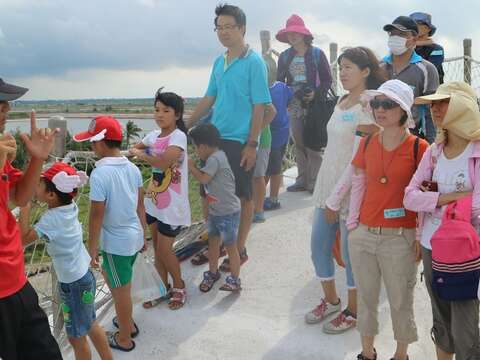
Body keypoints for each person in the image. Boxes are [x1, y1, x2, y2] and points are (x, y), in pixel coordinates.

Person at [305, 47, 385, 334]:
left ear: (366, 71)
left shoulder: (370, 105)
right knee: (318, 248)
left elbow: (361, 155)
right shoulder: (340, 100)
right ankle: (331, 300)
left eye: (349, 66)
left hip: (351, 191)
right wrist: (327, 195)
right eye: (340, 67)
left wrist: (337, 198)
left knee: (352, 256)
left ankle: (354, 309)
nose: (343, 72)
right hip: (326, 184)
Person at [347, 80, 429, 360]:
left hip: (399, 238)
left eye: (388, 104)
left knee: (400, 301)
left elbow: (424, 200)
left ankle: (400, 355)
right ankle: (367, 353)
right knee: (366, 299)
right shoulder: (368, 141)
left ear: (404, 111)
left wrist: (418, 238)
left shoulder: (420, 148)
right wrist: (352, 227)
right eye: (376, 103)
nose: (379, 109)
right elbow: (357, 184)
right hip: (364, 234)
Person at [187, 4, 272, 273]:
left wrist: (252, 144)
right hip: (213, 139)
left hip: (238, 141)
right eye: (219, 27)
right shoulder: (218, 61)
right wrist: (185, 124)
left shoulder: (253, 62)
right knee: (210, 194)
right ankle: (215, 244)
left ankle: (241, 247)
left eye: (229, 27)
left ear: (242, 29)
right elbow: (209, 97)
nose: (223, 32)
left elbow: (261, 106)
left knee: (242, 197)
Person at [404, 82, 480, 360]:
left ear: (463, 106)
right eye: (432, 104)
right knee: (442, 321)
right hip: (431, 246)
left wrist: (434, 199)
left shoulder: (477, 152)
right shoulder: (434, 152)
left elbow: (478, 211)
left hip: (467, 252)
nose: (434, 109)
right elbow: (408, 197)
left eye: (442, 102)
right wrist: (451, 198)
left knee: (466, 327)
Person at [19, 163, 113, 360]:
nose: (35, 187)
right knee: (90, 324)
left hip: (73, 284)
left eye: (39, 184)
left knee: (76, 338)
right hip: (83, 276)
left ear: (51, 195)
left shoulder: (51, 220)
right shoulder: (71, 205)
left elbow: (23, 238)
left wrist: (24, 204)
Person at [0, 79, 63, 360]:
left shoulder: (3, 155)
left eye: (5, 106)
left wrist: (37, 159)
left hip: (16, 280)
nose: (5, 112)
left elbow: (20, 196)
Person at [73, 115, 147, 352]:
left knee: (120, 291)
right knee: (123, 284)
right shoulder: (132, 167)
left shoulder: (100, 174)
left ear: (101, 142)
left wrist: (91, 249)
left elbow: (96, 215)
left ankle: (125, 336)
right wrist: (144, 235)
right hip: (133, 237)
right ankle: (128, 323)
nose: (91, 147)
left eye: (92, 142)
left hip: (116, 243)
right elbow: (140, 206)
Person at [129, 90, 190, 310]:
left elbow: (164, 163)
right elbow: (135, 147)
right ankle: (162, 287)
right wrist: (139, 152)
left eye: (166, 110)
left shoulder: (178, 137)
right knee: (157, 248)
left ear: (177, 114)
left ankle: (180, 286)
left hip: (172, 206)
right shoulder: (153, 136)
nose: (160, 114)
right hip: (153, 201)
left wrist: (142, 155)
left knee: (165, 250)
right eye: (157, 110)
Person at [276, 14, 333, 193]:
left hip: (314, 104)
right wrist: (291, 94)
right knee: (299, 141)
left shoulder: (317, 54)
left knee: (314, 143)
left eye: (295, 33)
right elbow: (280, 82)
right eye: (289, 34)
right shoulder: (285, 56)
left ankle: (315, 181)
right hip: (294, 103)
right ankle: (303, 179)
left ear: (303, 34)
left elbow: (327, 79)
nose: (292, 37)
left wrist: (315, 93)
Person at [189, 123, 242, 291]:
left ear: (203, 146)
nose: (196, 151)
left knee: (230, 247)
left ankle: (235, 279)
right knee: (213, 244)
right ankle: (213, 272)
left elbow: (204, 179)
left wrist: (191, 166)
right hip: (216, 211)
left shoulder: (215, 159)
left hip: (227, 212)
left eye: (196, 147)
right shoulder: (218, 156)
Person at [381, 15, 439, 144]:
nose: (395, 37)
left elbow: (432, 110)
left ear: (414, 39)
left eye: (401, 34)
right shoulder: (379, 68)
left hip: (413, 139)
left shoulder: (427, 69)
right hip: (381, 138)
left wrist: (432, 144)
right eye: (392, 34)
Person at [264, 80, 294, 211]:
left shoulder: (262, 91)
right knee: (271, 168)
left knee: (271, 169)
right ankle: (266, 197)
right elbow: (290, 98)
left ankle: (273, 199)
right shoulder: (281, 86)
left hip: (272, 135)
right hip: (283, 131)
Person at [252, 105, 277, 223]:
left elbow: (272, 112)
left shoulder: (258, 91)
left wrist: (255, 132)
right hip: (245, 140)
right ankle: (251, 208)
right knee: (250, 178)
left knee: (258, 176)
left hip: (261, 142)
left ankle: (258, 211)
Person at [410, 12, 445, 84]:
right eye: (412, 24)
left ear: (428, 28)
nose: (415, 26)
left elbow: (430, 70)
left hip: (432, 91)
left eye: (419, 23)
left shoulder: (437, 49)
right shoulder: (407, 47)